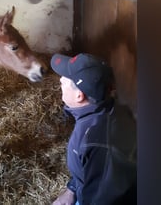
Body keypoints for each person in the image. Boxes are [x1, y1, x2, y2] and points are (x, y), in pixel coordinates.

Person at [50, 53, 137, 205]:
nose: (60, 79)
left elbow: (101, 198)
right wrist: (72, 191)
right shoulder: (100, 111)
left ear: (79, 96)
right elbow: (87, 168)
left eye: (65, 79)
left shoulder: (100, 143)